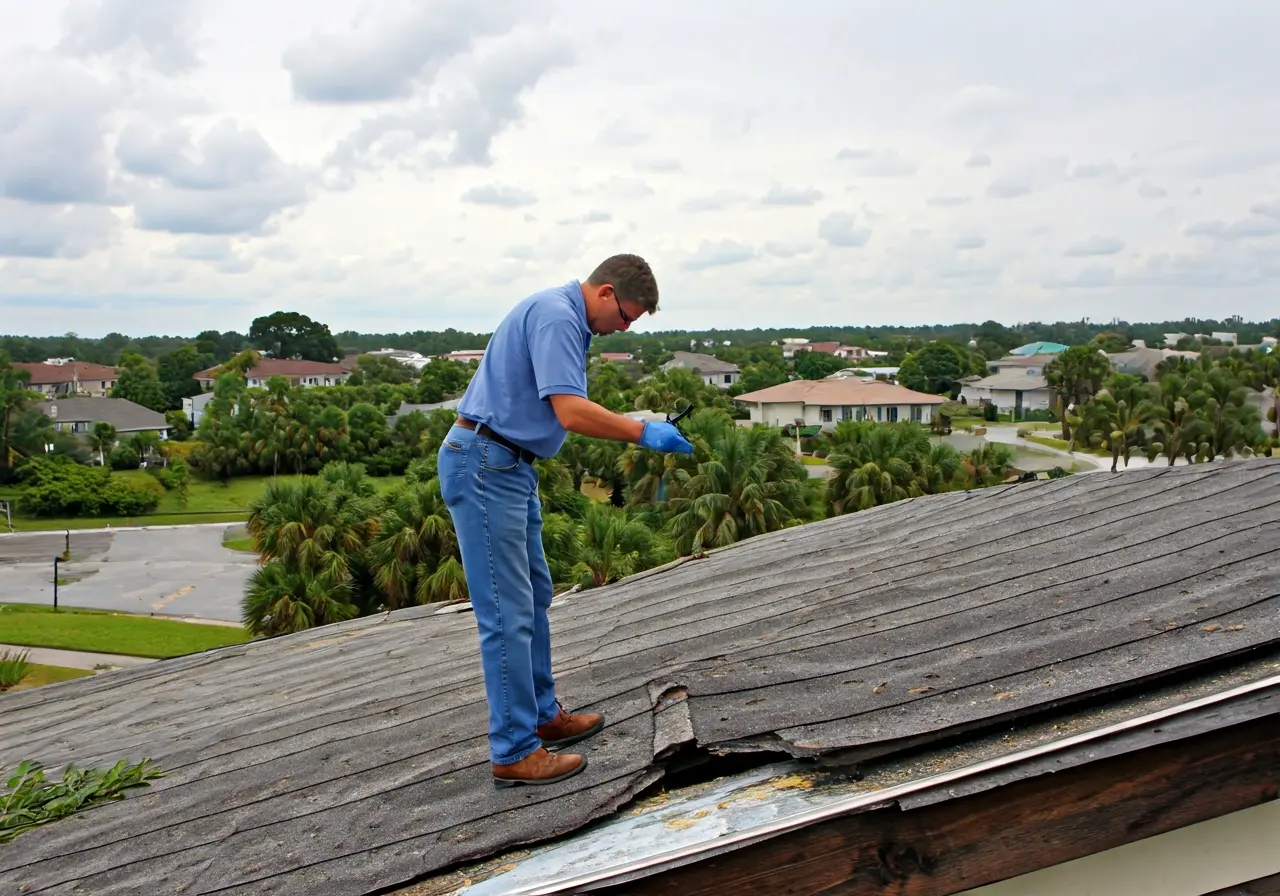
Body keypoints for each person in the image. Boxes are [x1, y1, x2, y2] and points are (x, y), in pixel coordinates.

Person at [437, 254, 694, 788]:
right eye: (625, 316)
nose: (622, 327)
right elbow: (571, 412)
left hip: (509, 465)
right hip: (487, 464)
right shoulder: (558, 316)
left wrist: (638, 422)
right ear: (604, 293)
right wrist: (643, 434)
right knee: (507, 614)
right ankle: (513, 750)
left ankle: (541, 716)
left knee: (532, 596)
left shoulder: (563, 316)